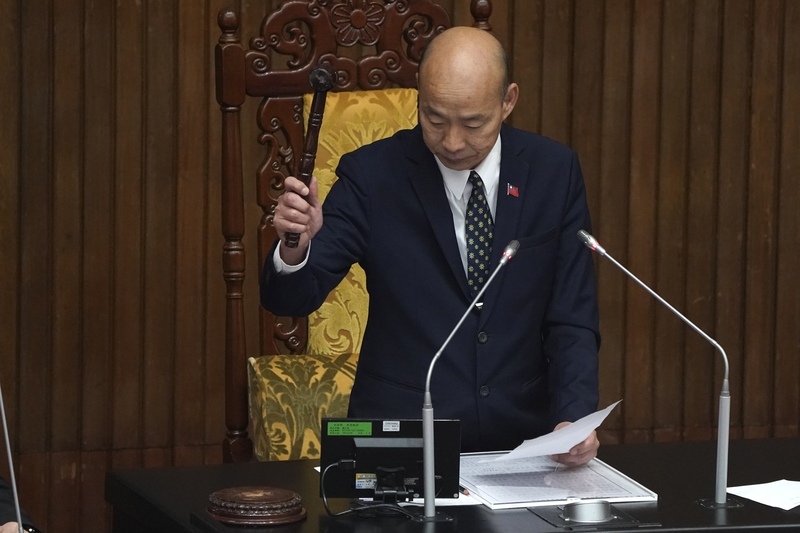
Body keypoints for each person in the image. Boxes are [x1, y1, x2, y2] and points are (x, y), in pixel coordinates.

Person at [261, 26, 601, 466]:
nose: (452, 142)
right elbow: (292, 297)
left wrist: (573, 420)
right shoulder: (372, 176)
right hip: (402, 442)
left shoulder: (554, 171)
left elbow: (572, 316)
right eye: (434, 119)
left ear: (508, 101)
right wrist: (294, 248)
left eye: (473, 122)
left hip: (524, 445)